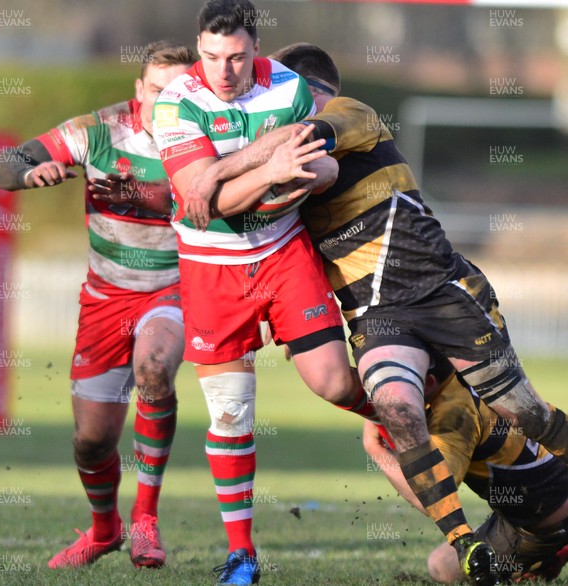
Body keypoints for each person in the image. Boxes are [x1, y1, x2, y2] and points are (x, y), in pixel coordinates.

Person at [181, 42, 568, 586]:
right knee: (394, 407)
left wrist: (213, 176)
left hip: (439, 291)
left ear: (304, 89)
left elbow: (309, 165)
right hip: (378, 316)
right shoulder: (286, 170)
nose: (268, 101)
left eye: (277, 89)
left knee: (524, 412)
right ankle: (464, 544)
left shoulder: (349, 113)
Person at [151, 3, 374, 584]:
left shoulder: (292, 88)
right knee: (231, 416)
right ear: (198, 49)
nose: (223, 71)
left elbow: (318, 172)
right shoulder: (176, 100)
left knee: (334, 382)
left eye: (237, 58)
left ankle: (416, 420)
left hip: (282, 255)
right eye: (210, 57)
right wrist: (269, 166)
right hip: (210, 268)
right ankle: (242, 555)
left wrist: (233, 170)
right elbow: (205, 205)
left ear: (258, 50)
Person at [0, 40, 195, 569]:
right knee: (91, 442)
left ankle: (146, 520)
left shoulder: (205, 139)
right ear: (137, 91)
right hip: (105, 299)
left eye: (175, 94)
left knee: (153, 370)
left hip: (172, 290)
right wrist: (31, 172)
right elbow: (2, 165)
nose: (162, 105)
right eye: (154, 92)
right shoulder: (99, 130)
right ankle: (106, 531)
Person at [363, 355, 568, 584]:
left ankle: (548, 553)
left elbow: (431, 498)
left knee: (440, 565)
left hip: (542, 520)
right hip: (553, 479)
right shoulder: (471, 364)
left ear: (429, 382)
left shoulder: (452, 416)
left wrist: (375, 448)